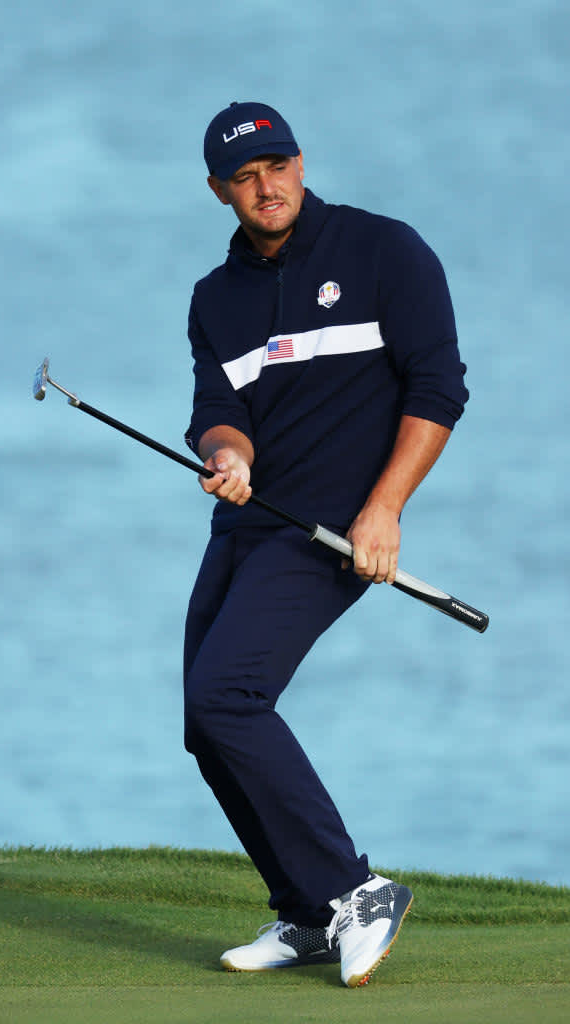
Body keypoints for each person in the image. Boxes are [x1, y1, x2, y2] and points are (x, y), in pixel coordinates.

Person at [183, 100, 468, 988]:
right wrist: (226, 455)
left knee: (228, 692)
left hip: (328, 532)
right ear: (218, 191)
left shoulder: (384, 250)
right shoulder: (214, 298)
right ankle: (308, 911)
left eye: (277, 166)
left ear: (301, 164)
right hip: (246, 522)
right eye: (244, 176)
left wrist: (382, 511)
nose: (265, 186)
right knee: (206, 720)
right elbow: (218, 413)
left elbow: (438, 388)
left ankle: (355, 890)